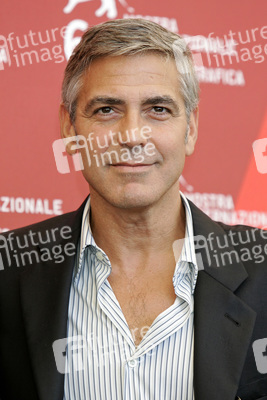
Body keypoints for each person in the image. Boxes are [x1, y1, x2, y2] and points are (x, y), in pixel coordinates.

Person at [0, 18, 267, 400]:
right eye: (107, 109)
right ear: (70, 129)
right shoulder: (9, 271)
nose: (131, 136)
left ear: (189, 129)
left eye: (158, 109)